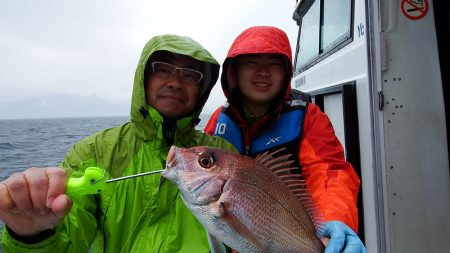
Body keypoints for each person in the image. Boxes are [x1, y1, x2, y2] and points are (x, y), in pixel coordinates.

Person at [0, 34, 235, 252]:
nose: (175, 82)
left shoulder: (225, 154)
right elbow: (69, 239)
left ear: (202, 90)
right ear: (143, 78)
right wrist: (32, 234)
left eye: (191, 74)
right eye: (162, 69)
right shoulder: (95, 151)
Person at [204, 26, 367, 252]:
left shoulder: (307, 118)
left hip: (288, 238)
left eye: (274, 64)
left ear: (286, 74)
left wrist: (334, 220)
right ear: (235, 72)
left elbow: (330, 173)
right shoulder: (218, 121)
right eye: (252, 62)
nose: (263, 72)